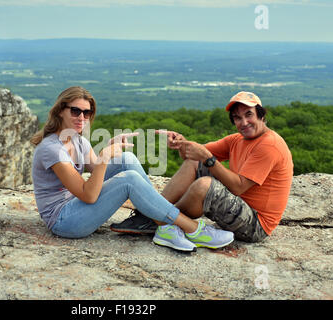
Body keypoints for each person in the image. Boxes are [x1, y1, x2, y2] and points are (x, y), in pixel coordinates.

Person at [30, 86, 234, 252]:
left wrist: (110, 148)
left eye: (87, 112)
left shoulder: (77, 140)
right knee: (128, 180)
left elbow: (95, 168)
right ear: (60, 110)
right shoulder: (52, 149)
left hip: (76, 205)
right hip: (65, 221)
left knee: (126, 158)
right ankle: (193, 229)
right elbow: (89, 195)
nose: (82, 117)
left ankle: (160, 224)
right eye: (75, 111)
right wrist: (105, 157)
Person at [111, 91, 293, 243]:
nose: (243, 123)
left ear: (261, 115)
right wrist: (181, 144)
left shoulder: (269, 145)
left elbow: (239, 186)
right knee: (195, 163)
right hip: (239, 206)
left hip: (255, 224)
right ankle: (151, 213)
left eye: (249, 115)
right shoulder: (238, 140)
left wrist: (208, 159)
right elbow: (193, 156)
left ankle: (158, 219)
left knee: (204, 185)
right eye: (237, 118)